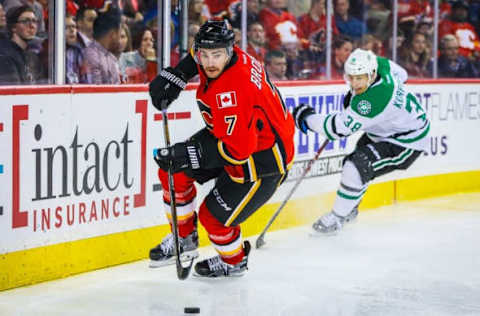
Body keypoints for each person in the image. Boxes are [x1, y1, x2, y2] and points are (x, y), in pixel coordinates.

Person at [148, 20, 295, 278]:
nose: (209, 62)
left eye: (216, 55)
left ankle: (234, 261)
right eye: (205, 54)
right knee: (173, 172)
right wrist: (179, 74)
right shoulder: (226, 55)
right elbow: (199, 55)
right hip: (234, 134)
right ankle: (184, 240)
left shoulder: (233, 91)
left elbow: (239, 149)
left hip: (263, 159)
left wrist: (192, 154)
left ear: (229, 51)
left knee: (212, 218)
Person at [293, 48, 430, 234]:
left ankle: (337, 217)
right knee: (357, 164)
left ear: (371, 74)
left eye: (360, 78)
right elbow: (402, 75)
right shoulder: (380, 64)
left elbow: (334, 129)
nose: (355, 83)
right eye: (351, 77)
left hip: (406, 142)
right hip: (385, 131)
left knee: (356, 166)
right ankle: (349, 209)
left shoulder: (372, 101)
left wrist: (306, 117)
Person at [0, 5, 44, 85]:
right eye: (25, 21)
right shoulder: (4, 55)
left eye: (34, 21)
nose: (32, 26)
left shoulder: (33, 57)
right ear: (14, 27)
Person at [80, 7, 122, 84]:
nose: (120, 40)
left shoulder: (111, 57)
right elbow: (93, 91)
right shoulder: (91, 55)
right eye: (120, 34)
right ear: (113, 34)